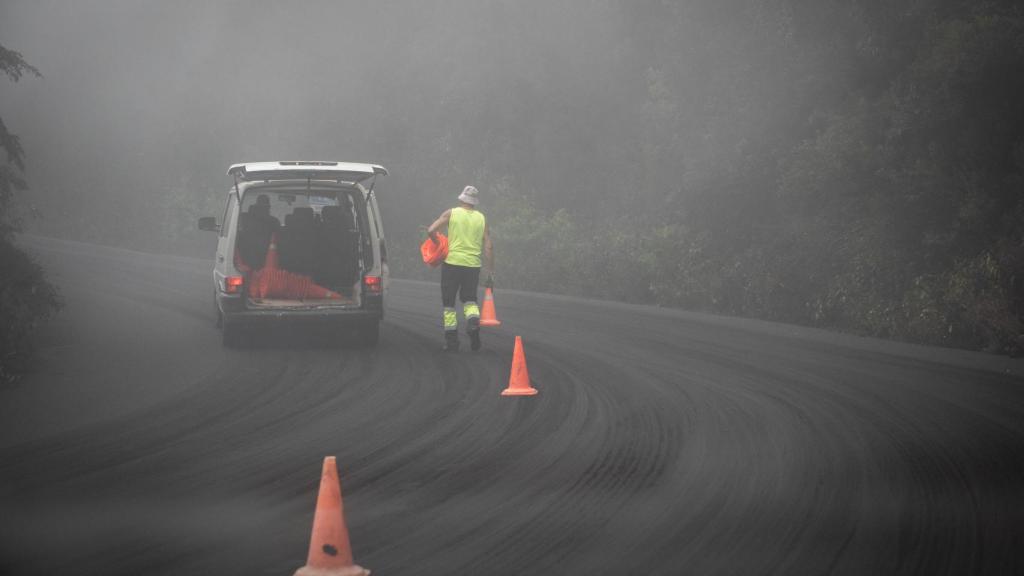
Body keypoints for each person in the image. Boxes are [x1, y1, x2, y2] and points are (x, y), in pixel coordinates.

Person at [427, 185, 494, 352]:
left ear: (461, 199)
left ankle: (452, 342)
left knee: (449, 304)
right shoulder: (482, 219)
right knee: (470, 299)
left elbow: (431, 230)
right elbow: (488, 247)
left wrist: (439, 245)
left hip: (452, 263)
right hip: (472, 265)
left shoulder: (451, 213)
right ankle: (473, 322)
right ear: (474, 202)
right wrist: (490, 271)